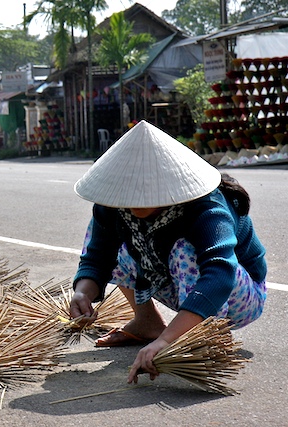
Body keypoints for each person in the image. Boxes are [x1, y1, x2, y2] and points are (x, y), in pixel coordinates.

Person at [69, 120, 267, 385]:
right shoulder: (112, 208)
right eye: (129, 194)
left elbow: (220, 275)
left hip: (237, 296)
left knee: (184, 250)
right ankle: (147, 322)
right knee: (122, 249)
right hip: (179, 283)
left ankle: (205, 335)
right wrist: (83, 293)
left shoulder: (207, 209)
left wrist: (166, 342)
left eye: (145, 193)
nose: (134, 201)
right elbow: (97, 257)